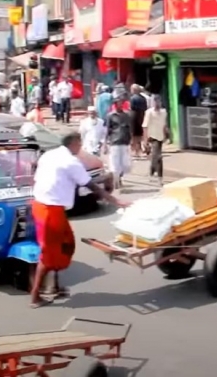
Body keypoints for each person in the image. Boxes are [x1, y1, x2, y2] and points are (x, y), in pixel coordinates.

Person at [30, 132, 129, 308]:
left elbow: (35, 168)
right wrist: (117, 201)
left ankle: (55, 287)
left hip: (44, 205)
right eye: (80, 143)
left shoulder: (49, 154)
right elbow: (91, 185)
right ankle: (35, 297)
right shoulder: (71, 162)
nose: (81, 147)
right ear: (74, 143)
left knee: (65, 246)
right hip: (49, 209)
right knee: (49, 254)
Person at [105, 93, 133, 189]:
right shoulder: (110, 116)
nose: (120, 105)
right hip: (114, 142)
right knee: (115, 163)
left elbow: (129, 128)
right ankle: (116, 181)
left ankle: (119, 177)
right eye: (118, 103)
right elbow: (107, 130)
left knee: (125, 164)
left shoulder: (126, 115)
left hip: (125, 141)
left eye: (121, 103)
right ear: (115, 104)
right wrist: (105, 144)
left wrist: (132, 140)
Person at [142, 95, 169, 185]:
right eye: (155, 101)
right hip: (152, 137)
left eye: (158, 101)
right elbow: (145, 126)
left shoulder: (164, 112)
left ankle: (151, 171)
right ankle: (160, 178)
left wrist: (166, 135)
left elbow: (164, 125)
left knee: (155, 157)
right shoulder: (149, 112)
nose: (157, 103)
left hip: (160, 137)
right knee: (158, 157)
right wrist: (145, 140)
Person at [129, 84, 148, 158]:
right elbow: (145, 107)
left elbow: (132, 108)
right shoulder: (143, 98)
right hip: (142, 116)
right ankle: (140, 149)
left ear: (134, 90)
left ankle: (136, 151)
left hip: (134, 117)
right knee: (141, 134)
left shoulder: (133, 98)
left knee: (134, 135)